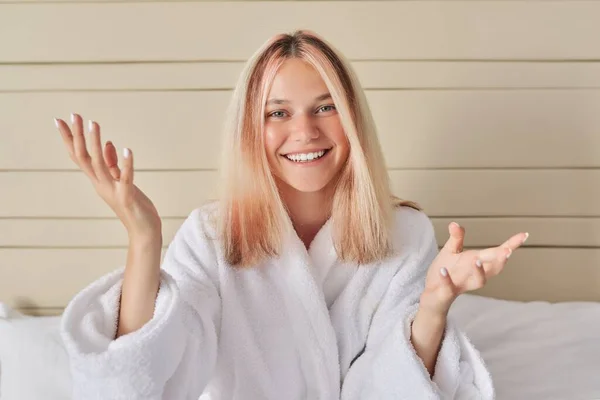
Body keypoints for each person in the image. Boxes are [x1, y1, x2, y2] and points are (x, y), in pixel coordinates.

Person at [55, 30, 527, 400]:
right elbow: (145, 380)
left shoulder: (403, 233)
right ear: (250, 130)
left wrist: (433, 306)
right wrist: (144, 239)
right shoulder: (212, 236)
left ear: (352, 119)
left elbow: (390, 389)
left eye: (325, 107)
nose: (304, 131)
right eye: (277, 113)